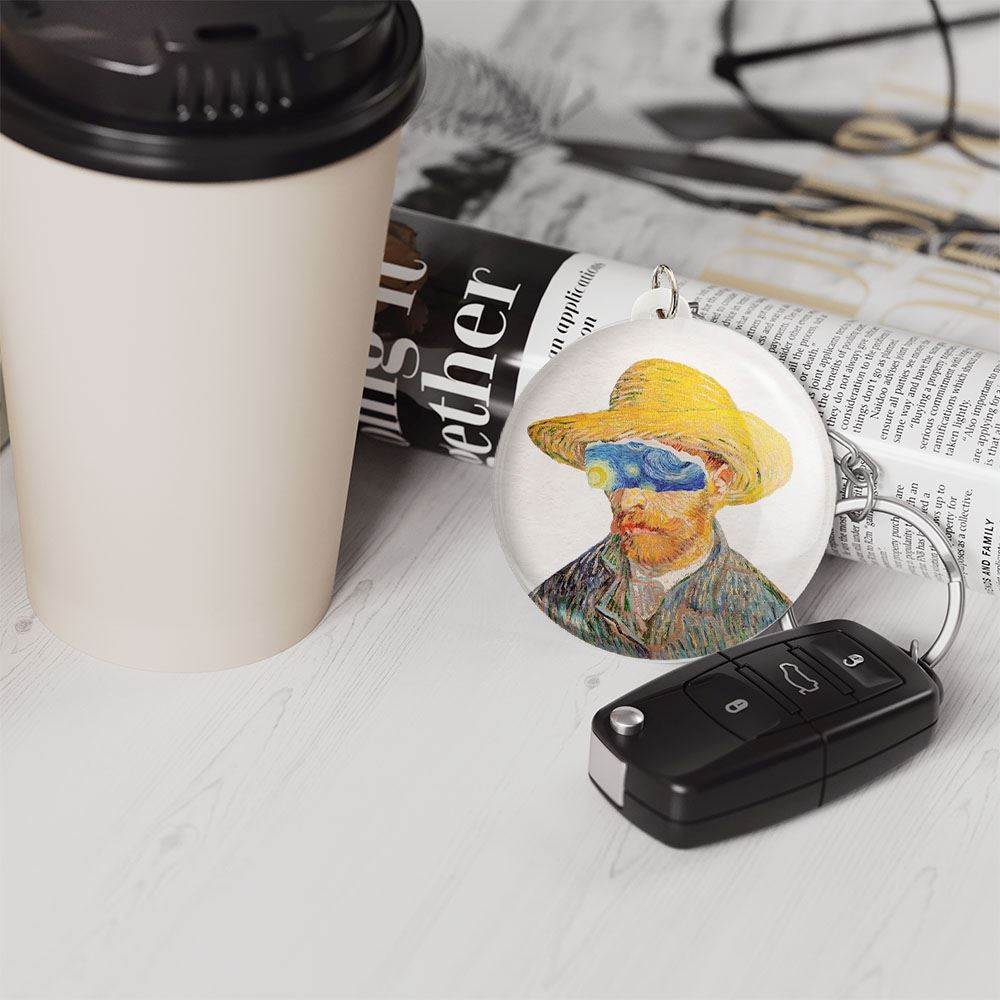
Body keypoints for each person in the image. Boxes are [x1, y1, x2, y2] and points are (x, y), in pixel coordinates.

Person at [527, 358, 793, 658]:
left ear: (720, 481)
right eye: (611, 470)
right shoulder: (562, 593)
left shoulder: (760, 611)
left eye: (660, 469)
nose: (627, 501)